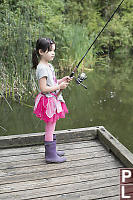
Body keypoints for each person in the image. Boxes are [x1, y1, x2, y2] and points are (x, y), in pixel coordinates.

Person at [32, 37, 72, 163]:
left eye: (53, 50)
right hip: (48, 101)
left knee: (52, 127)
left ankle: (52, 150)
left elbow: (52, 82)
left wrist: (61, 80)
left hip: (52, 100)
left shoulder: (49, 65)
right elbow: (43, 88)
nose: (53, 53)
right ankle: (50, 156)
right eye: (49, 51)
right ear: (41, 52)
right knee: (50, 127)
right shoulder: (42, 68)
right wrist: (59, 87)